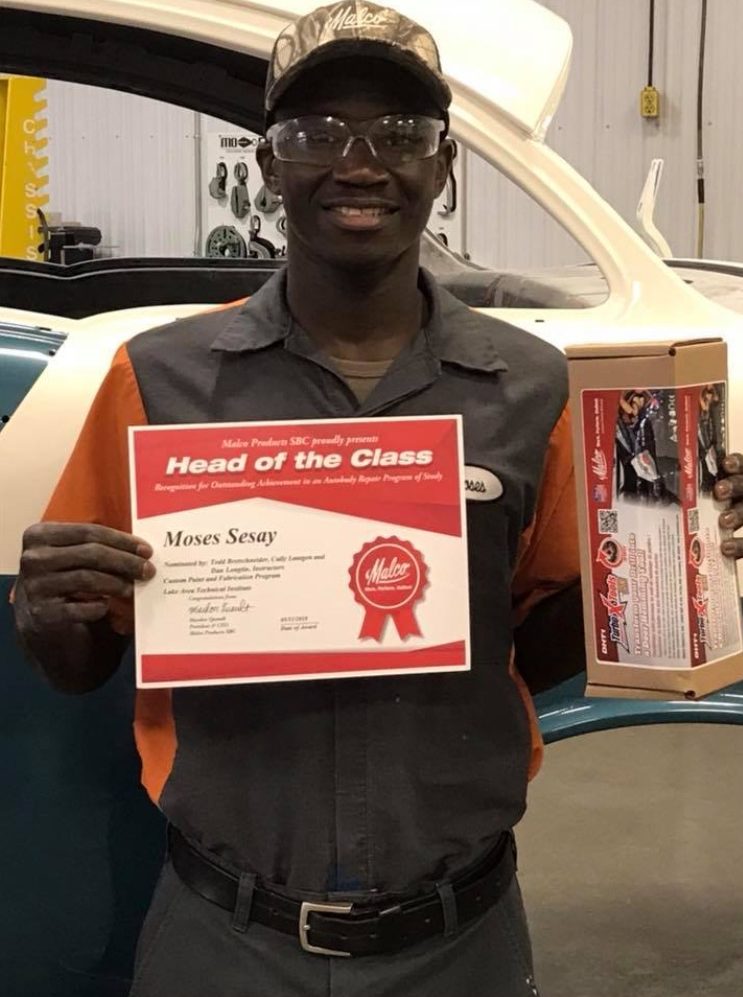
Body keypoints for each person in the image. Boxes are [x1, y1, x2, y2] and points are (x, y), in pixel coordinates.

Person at [12, 4, 743, 996]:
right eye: (316, 135)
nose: (360, 163)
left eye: (399, 135)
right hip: (224, 938)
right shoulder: (159, 376)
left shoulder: (527, 385)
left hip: (458, 941)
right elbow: (79, 660)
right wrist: (50, 609)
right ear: (268, 165)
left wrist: (684, 549)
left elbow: (535, 645)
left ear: (443, 166)